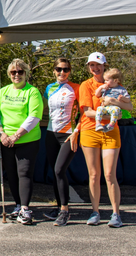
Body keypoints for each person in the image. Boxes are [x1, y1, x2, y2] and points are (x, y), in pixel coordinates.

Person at [79, 52, 132, 228]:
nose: (95, 68)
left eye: (98, 65)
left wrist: (113, 102)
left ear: (104, 66)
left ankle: (116, 214)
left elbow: (129, 107)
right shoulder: (86, 85)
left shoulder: (115, 83)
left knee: (110, 174)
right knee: (94, 175)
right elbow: (87, 112)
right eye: (92, 65)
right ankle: (95, 212)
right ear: (89, 67)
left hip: (111, 131)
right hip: (90, 130)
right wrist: (108, 114)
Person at [0, 59, 43, 225]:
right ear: (9, 74)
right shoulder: (3, 91)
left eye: (20, 72)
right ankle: (18, 205)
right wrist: (1, 133)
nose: (17, 75)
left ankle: (26, 209)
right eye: (13, 72)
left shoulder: (32, 92)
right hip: (6, 140)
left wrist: (17, 135)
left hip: (27, 140)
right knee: (11, 174)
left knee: (24, 173)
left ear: (26, 73)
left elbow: (34, 116)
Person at [42, 58, 80, 226]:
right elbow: (43, 109)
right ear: (54, 71)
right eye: (59, 69)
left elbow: (83, 112)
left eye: (65, 69)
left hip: (68, 134)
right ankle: (58, 207)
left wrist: (77, 131)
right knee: (54, 172)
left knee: (59, 170)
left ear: (70, 71)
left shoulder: (76, 88)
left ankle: (65, 210)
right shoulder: (49, 88)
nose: (62, 72)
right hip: (51, 133)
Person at [94, 68, 130, 132]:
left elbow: (128, 100)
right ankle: (98, 123)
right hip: (105, 107)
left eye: (107, 80)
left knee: (116, 110)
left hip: (114, 107)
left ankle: (111, 125)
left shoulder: (121, 89)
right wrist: (100, 87)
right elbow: (97, 94)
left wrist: (123, 98)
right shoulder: (105, 88)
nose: (105, 82)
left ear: (115, 81)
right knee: (99, 109)